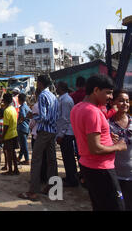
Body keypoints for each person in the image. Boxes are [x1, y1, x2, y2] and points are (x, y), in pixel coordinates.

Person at [71, 74, 126, 211]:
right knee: (116, 207)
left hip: (89, 166)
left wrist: (107, 136)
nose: (111, 97)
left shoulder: (77, 108)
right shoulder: (93, 112)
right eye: (108, 93)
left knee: (100, 205)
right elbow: (95, 148)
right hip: (101, 169)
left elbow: (88, 136)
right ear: (96, 90)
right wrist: (118, 146)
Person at [18, 75, 59, 201]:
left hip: (44, 131)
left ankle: (33, 191)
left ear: (40, 84)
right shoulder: (53, 96)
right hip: (52, 131)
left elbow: (43, 117)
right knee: (52, 161)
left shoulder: (42, 96)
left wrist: (31, 116)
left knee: (36, 160)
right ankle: (53, 189)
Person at [109, 89, 132, 210]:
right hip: (115, 176)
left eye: (127, 101)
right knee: (118, 206)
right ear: (113, 102)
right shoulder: (107, 124)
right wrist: (109, 141)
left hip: (131, 175)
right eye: (121, 100)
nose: (125, 104)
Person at [55, 81, 79, 188]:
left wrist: (61, 134)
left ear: (61, 88)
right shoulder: (64, 99)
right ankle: (70, 176)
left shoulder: (65, 100)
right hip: (66, 132)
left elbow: (65, 119)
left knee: (68, 157)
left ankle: (72, 179)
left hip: (67, 133)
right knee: (66, 157)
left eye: (57, 87)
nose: (55, 89)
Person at [1, 93, 19, 176]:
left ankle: (10, 170)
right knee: (13, 153)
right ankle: (16, 169)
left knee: (9, 153)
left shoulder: (7, 111)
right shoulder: (13, 109)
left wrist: (2, 136)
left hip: (8, 135)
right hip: (14, 133)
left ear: (4, 101)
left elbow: (6, 126)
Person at [17, 93, 31, 165]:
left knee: (24, 145)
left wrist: (18, 122)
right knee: (23, 144)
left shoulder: (22, 107)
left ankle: (27, 159)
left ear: (19, 100)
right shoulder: (27, 107)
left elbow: (22, 116)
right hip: (27, 127)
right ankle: (19, 158)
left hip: (22, 127)